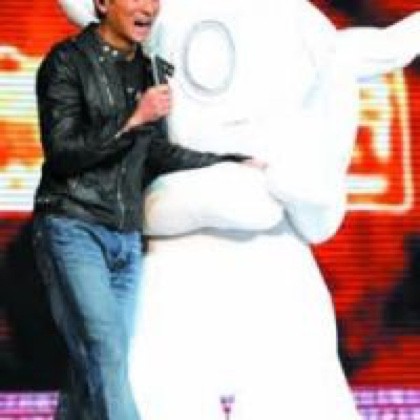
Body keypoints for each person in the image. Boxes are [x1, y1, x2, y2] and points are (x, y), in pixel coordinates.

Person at [58, 1, 420, 419]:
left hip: (270, 250)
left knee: (298, 389)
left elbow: (382, 50)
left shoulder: (297, 23)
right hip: (177, 253)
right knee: (152, 386)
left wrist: (289, 182)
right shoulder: (167, 15)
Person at [31, 0, 255, 419]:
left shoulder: (149, 70)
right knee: (106, 351)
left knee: (97, 365)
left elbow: (155, 152)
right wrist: (133, 119)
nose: (148, 8)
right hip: (73, 225)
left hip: (126, 237)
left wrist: (225, 161)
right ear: (102, 3)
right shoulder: (66, 62)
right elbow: (63, 152)